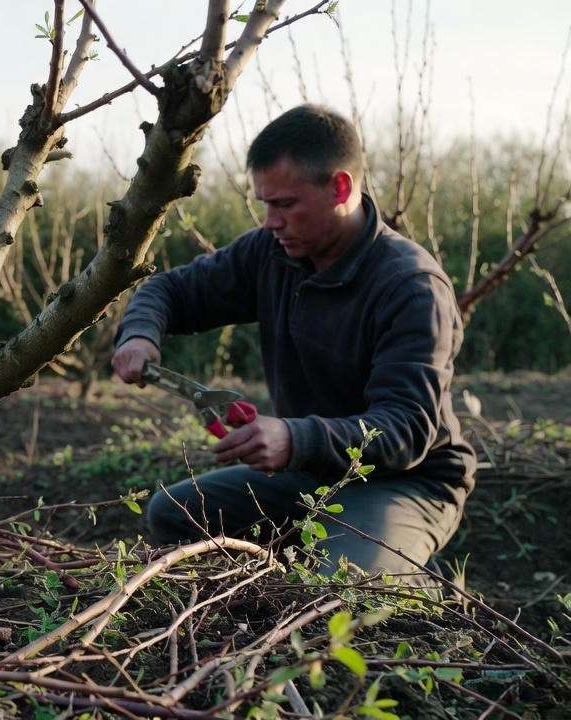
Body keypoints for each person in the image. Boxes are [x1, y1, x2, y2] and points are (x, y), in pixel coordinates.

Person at [112, 104, 475, 582]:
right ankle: (327, 550)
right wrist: (140, 333)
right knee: (173, 513)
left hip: (407, 481)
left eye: (284, 204)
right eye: (265, 204)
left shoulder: (411, 286)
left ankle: (411, 570)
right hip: (310, 474)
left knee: (339, 587)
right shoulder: (272, 253)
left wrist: (294, 438)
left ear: (340, 188)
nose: (270, 221)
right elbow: (170, 290)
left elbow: (405, 428)